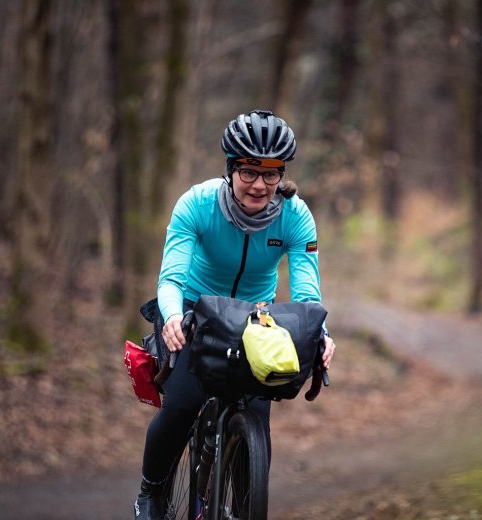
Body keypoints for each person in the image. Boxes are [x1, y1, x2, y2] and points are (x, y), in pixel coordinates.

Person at [134, 109, 336, 519]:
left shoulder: (296, 217)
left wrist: (322, 335)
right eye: (248, 172)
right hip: (192, 309)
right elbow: (171, 278)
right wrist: (172, 316)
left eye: (271, 174)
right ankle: (151, 492)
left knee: (257, 416)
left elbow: (307, 294)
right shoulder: (197, 204)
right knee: (183, 403)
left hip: (254, 317)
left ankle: (245, 505)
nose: (260, 185)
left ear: (282, 175)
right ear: (230, 169)